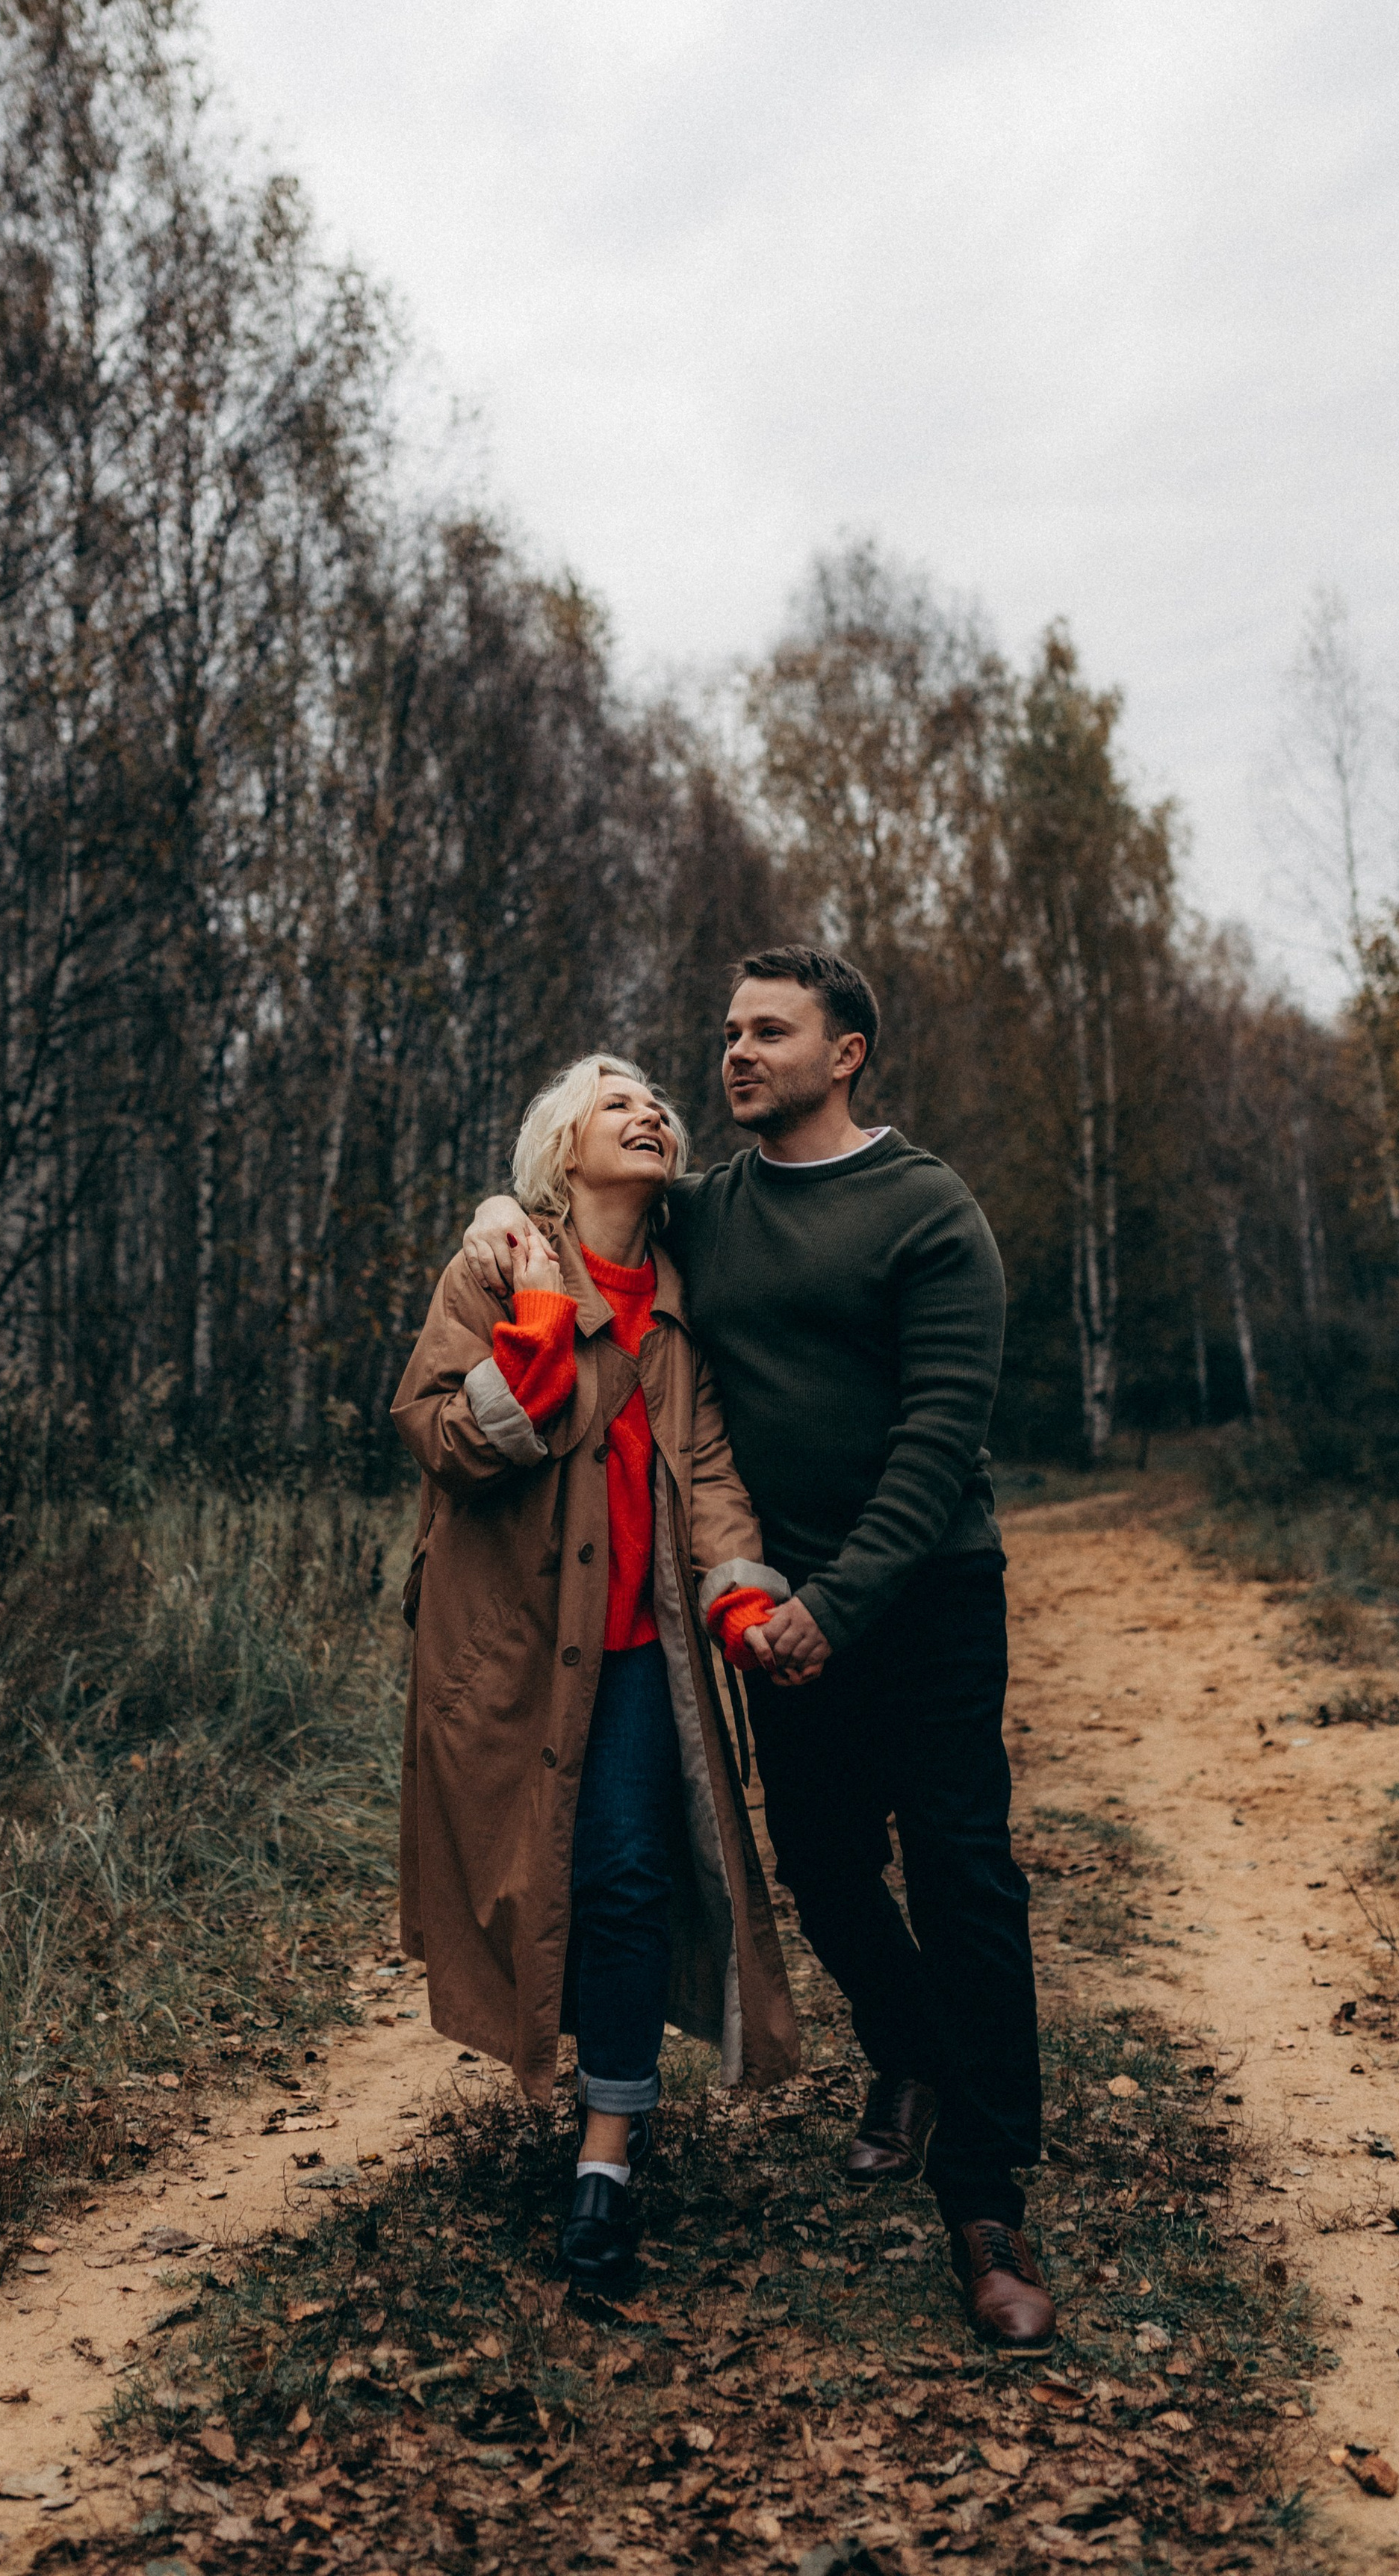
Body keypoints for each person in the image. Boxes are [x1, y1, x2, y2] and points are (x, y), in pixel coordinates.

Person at [465, 949, 1052, 2354]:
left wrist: (834, 1606)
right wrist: (498, 1211)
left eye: (769, 1031)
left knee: (964, 1870)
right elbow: (572, 1199)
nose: (733, 1053)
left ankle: (984, 2197)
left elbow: (937, 1444)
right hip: (775, 1617)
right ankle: (909, 2046)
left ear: (845, 1053)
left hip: (925, 1597)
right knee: (826, 1871)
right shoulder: (706, 1216)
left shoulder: (929, 1211)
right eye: (727, 1030)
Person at [391, 1055, 799, 2285]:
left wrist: (738, 1592)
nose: (650, 1114)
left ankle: (608, 2154)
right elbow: (436, 1437)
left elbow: (712, 1469)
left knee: (626, 1875)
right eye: (615, 1102)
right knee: (532, 1875)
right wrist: (528, 1343)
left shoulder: (680, 1305)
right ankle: (581, 2096)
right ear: (564, 1148)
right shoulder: (497, 1265)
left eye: (657, 1106)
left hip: (634, 1647)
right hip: (510, 1649)